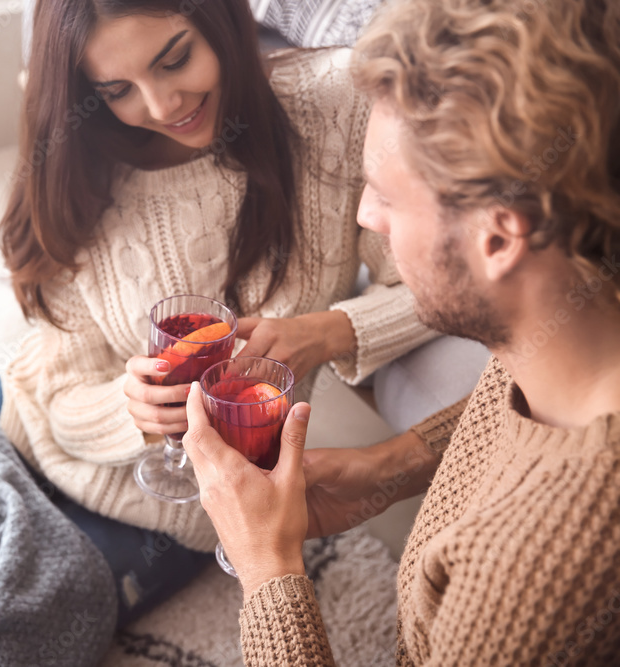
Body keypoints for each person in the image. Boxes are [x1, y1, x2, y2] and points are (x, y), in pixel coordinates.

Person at [0, 0, 472, 627]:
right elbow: (57, 399)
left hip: (171, 519)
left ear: (221, 21)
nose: (163, 105)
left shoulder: (335, 104)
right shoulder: (78, 168)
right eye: (117, 89)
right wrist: (130, 407)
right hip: (16, 439)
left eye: (175, 59)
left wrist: (325, 333)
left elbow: (446, 286)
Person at [182, 0, 620, 663]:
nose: (365, 215)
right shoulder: (570, 323)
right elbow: (506, 418)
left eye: (385, 196)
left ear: (497, 237)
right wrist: (390, 467)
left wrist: (268, 570)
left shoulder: (529, 578)